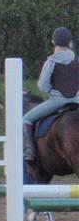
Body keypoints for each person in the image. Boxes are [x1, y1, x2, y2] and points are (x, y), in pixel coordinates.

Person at [22, 26, 79, 162]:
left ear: (53, 42)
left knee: (26, 119)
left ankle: (30, 151)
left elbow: (42, 86)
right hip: (77, 100)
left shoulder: (51, 62)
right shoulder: (77, 60)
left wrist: (52, 91)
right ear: (69, 43)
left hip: (57, 101)